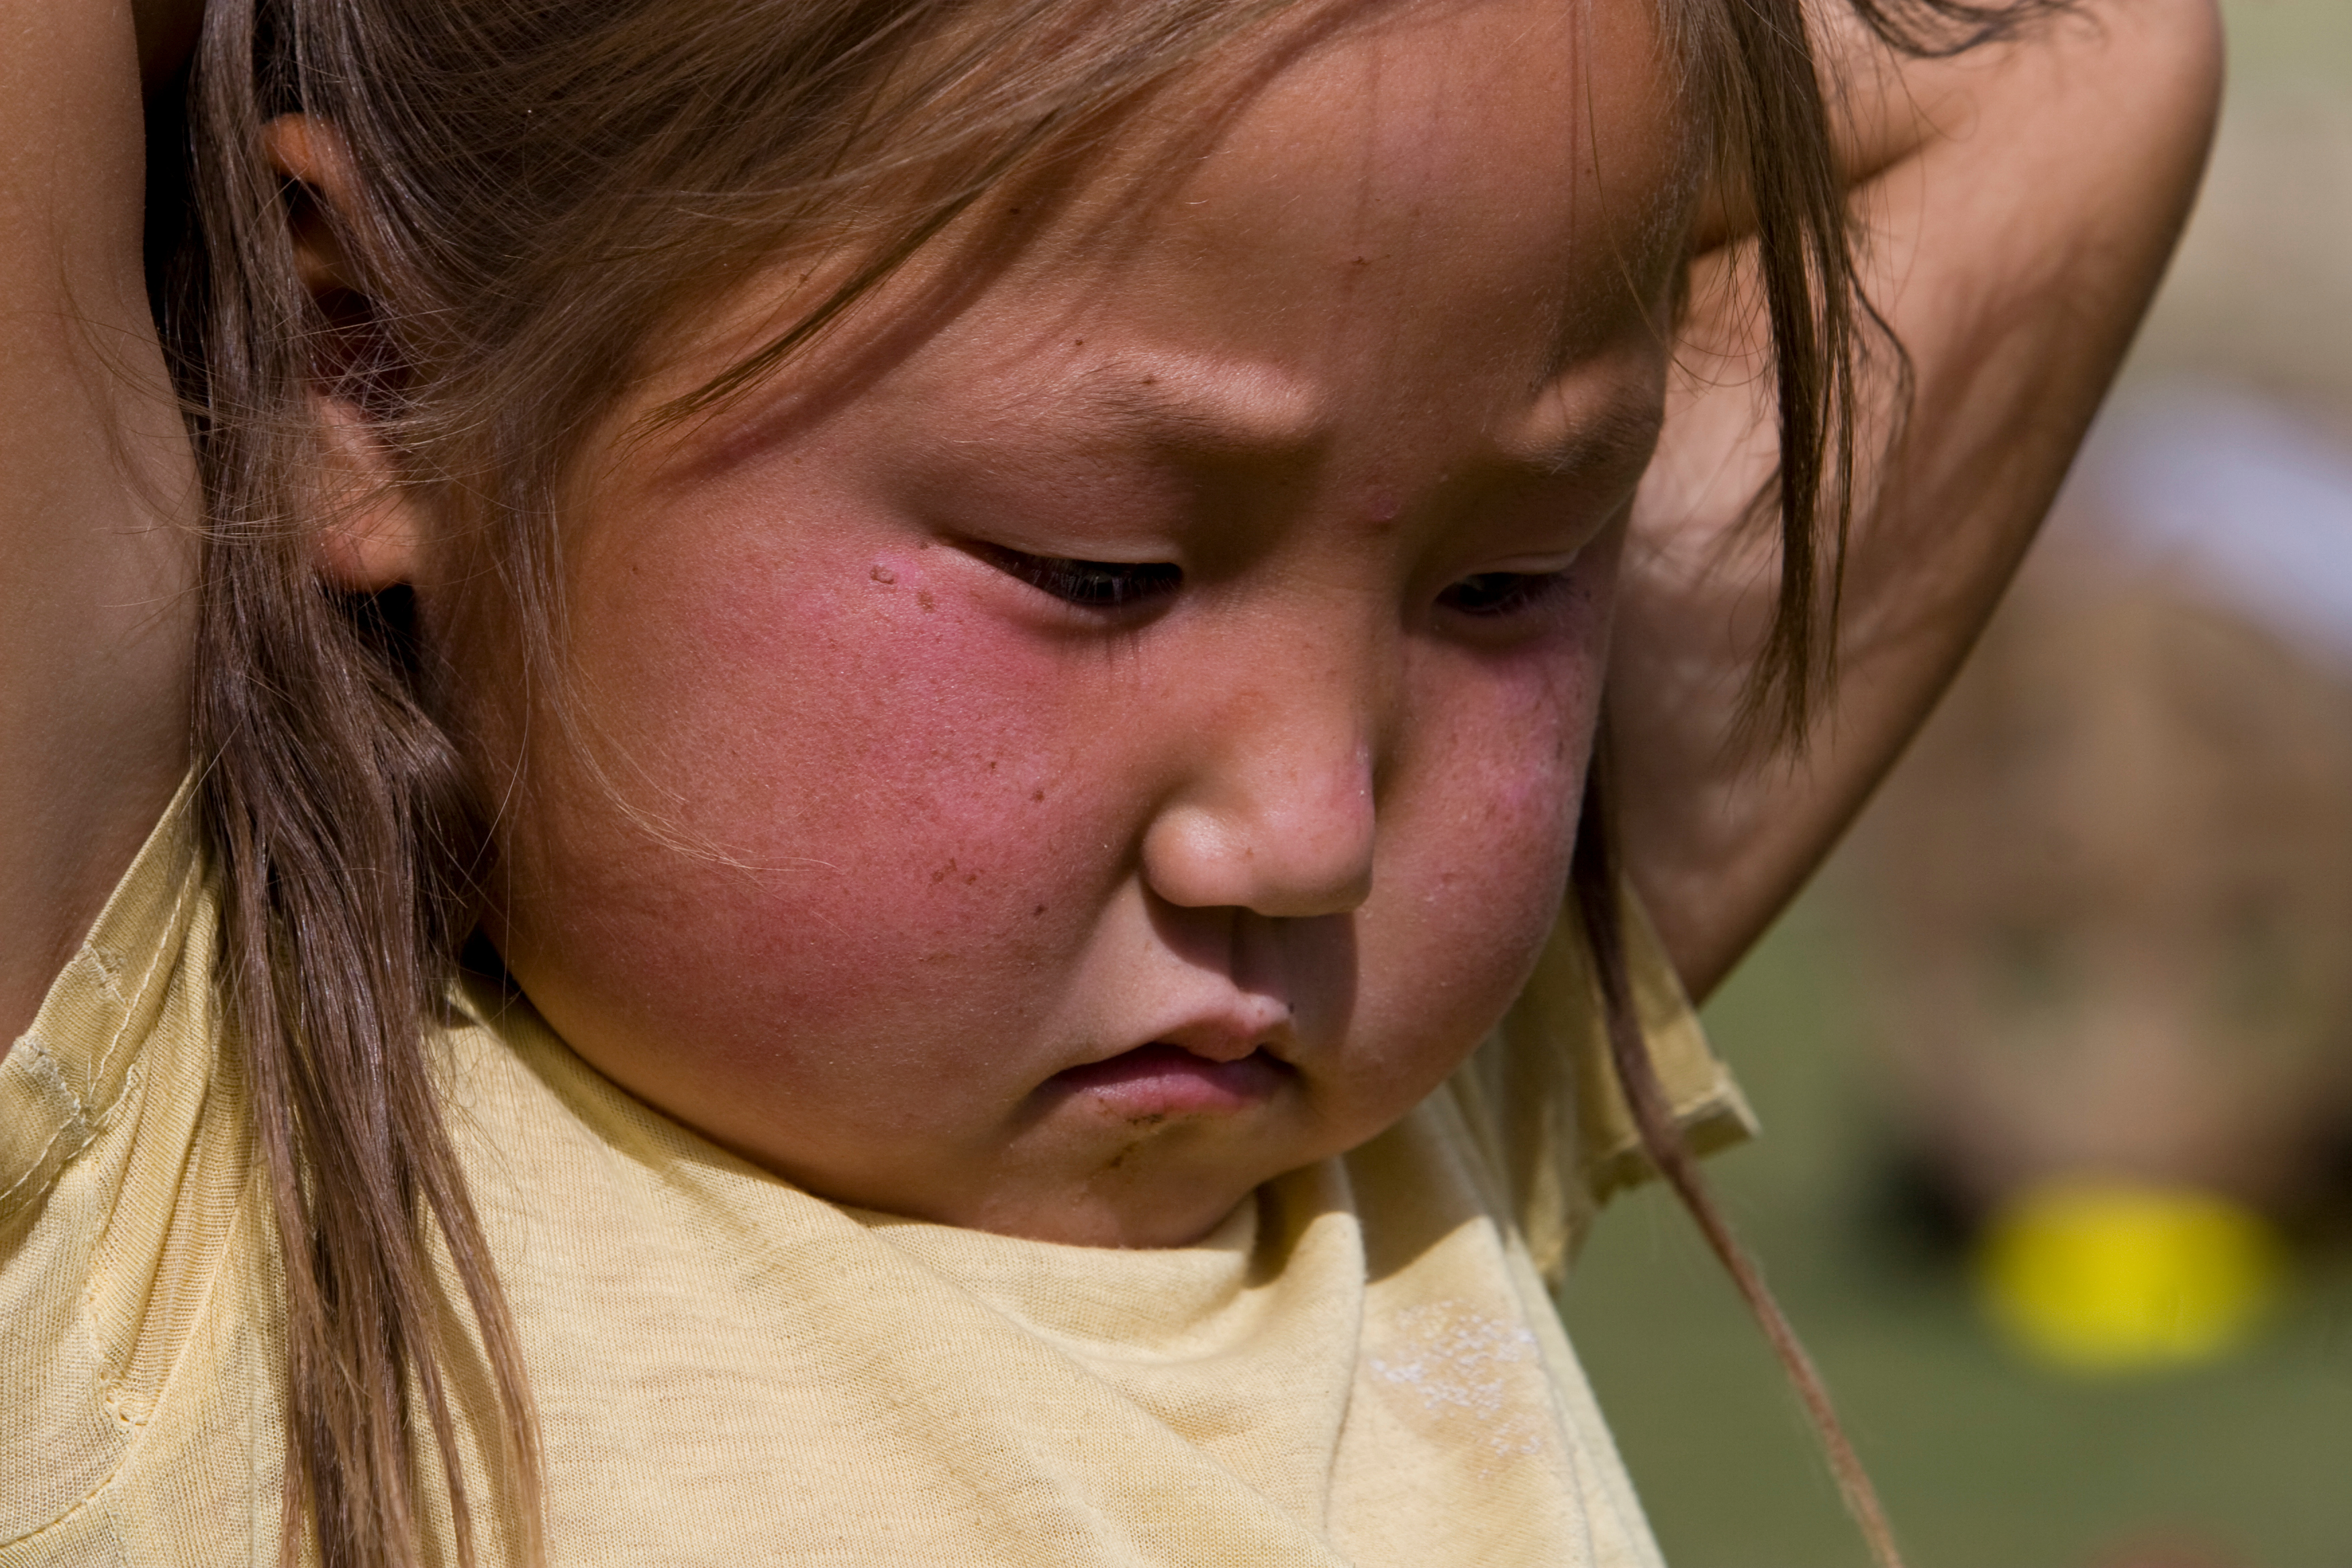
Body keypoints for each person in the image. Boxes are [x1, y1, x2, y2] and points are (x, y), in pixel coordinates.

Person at [0, 1, 2218, 1565]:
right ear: (370, 358)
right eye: (1100, 571)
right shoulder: (168, 1170)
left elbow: (2070, 56)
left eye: (1504, 585)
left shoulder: (1387, 1137)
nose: (1315, 833)